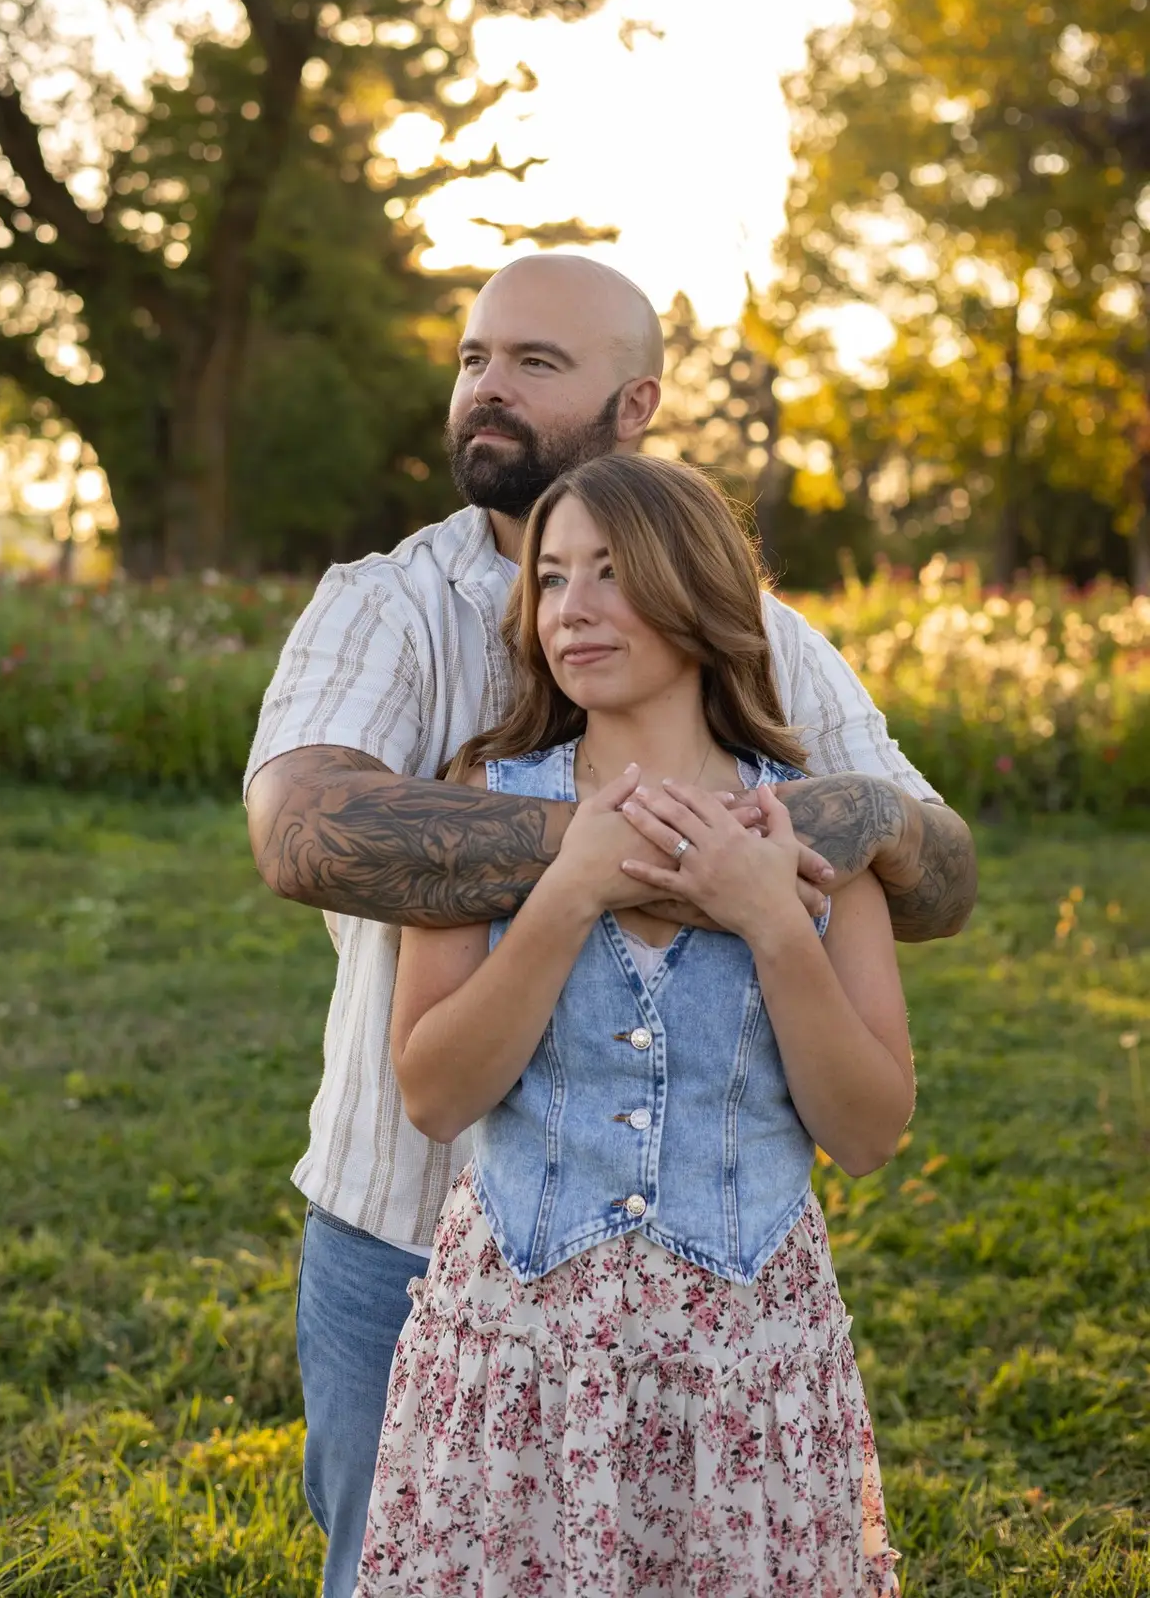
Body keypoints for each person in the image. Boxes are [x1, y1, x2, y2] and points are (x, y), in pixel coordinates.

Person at [244, 252, 976, 1598]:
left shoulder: (777, 650)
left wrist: (810, 854)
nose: (487, 388)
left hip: (734, 1330)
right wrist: (589, 865)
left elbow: (925, 873)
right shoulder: (385, 603)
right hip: (435, 1263)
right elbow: (299, 835)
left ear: (634, 404)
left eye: (535, 363)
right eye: (473, 357)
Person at [353, 453, 909, 1596]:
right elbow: (434, 1095)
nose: (571, 608)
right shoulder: (479, 809)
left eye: (608, 573)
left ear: (698, 593)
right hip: (520, 1360)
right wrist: (564, 892)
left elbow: (866, 1132)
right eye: (550, 580)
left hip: (740, 1372)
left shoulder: (812, 828)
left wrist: (770, 921)